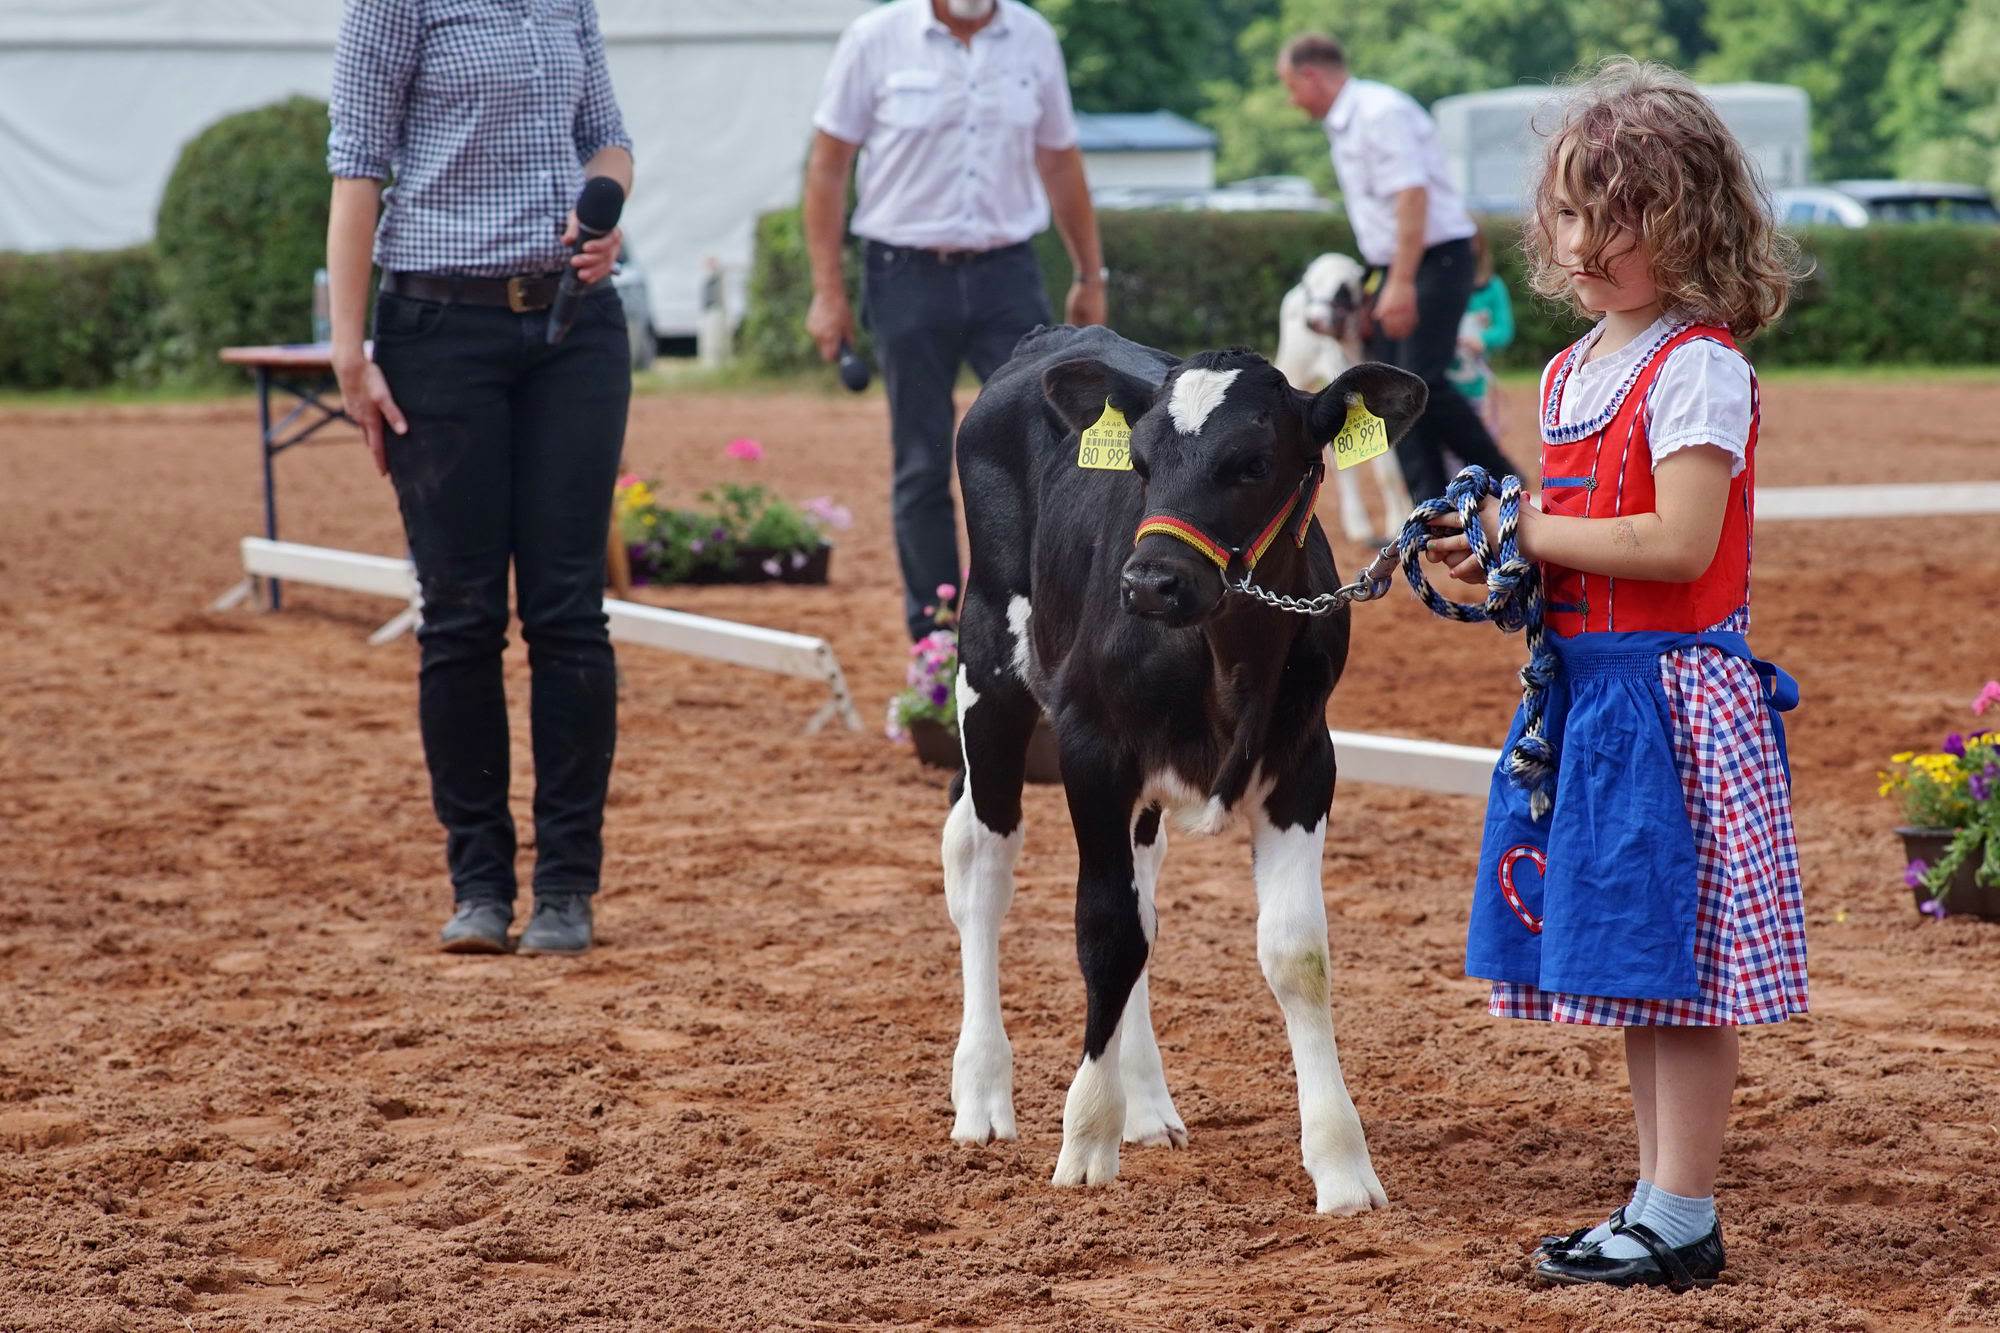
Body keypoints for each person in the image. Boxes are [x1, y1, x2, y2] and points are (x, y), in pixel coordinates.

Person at [1427, 61, 1804, 1290]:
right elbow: (1579, 546)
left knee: (1680, 977)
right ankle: (1656, 1203)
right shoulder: (1570, 367)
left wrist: (1524, 526)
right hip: (1590, 697)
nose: (1588, 242)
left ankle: (1680, 1211)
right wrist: (1497, 560)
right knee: (1639, 960)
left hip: (1674, 700)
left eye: (1622, 214)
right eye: (1574, 211)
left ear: (1689, 218)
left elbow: (1676, 544)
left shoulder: (1695, 365)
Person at [325, 0, 635, 956]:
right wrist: (350, 351)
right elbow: (357, 167)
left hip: (574, 330)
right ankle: (479, 882)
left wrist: (604, 216)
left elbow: (610, 142)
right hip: (438, 331)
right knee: (459, 615)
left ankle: (568, 887)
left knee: (569, 612)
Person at [804, 0, 1107, 642]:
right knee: (922, 458)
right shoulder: (875, 39)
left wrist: (1089, 273)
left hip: (1007, 276)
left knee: (1047, 446)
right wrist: (827, 291)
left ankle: (1036, 624)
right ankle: (936, 635)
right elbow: (829, 166)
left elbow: (1059, 160)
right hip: (904, 275)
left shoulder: (1033, 39)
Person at [1277, 32, 1514, 503]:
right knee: (1388, 393)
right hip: (1397, 265)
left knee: (1423, 382)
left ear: (1311, 75)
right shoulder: (1348, 121)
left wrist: (1402, 282)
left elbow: (1412, 195)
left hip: (1435, 258)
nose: (1291, 100)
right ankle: (1429, 506)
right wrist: (1382, 282)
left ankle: (1507, 483)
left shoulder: (1378, 112)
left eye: (1291, 87)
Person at [1446, 230, 1514, 442]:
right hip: (1440, 386)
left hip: (1475, 386)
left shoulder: (1493, 287)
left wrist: (1482, 340)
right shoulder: (1441, 286)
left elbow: (1505, 330)